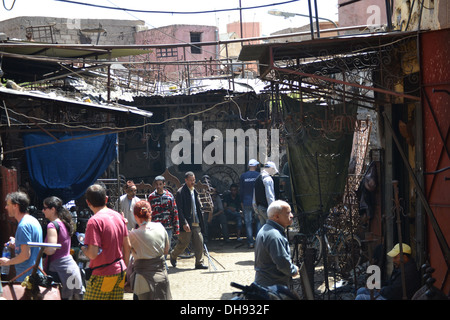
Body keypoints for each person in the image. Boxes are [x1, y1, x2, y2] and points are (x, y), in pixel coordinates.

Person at [82, 184, 131, 300]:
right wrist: (125, 269)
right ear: (106, 199)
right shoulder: (118, 216)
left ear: (88, 202)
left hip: (102, 274)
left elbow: (93, 254)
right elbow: (127, 246)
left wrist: (84, 249)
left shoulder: (94, 221)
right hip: (120, 271)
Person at [42, 196, 84, 300]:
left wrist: (40, 248)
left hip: (58, 272)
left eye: (45, 208)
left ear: (53, 209)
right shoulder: (64, 223)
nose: (43, 211)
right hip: (71, 269)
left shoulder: (52, 225)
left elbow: (51, 249)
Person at [129, 200, 172, 300]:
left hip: (142, 279)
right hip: (161, 276)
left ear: (135, 216)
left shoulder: (133, 234)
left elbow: (126, 250)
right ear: (150, 212)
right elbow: (166, 251)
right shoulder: (160, 227)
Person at [254, 200, 298, 287]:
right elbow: (282, 263)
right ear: (277, 216)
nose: (292, 216)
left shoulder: (267, 229)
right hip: (272, 286)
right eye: (288, 213)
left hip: (266, 283)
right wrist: (293, 270)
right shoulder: (274, 235)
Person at [0, 192, 43, 282]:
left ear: (16, 205)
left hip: (26, 277)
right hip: (34, 274)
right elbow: (30, 246)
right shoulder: (32, 221)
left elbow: (25, 255)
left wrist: (7, 262)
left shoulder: (23, 226)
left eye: (8, 204)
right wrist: (17, 243)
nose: (6, 207)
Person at [355, 243, 421, 300]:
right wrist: (376, 283)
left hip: (393, 297)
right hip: (389, 294)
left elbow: (394, 291)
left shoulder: (408, 272)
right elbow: (390, 283)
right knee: (361, 290)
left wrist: (380, 290)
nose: (393, 261)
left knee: (360, 298)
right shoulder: (401, 267)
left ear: (404, 257)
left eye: (395, 258)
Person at [170, 171, 208, 269]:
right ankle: (173, 255)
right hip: (187, 222)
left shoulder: (194, 191)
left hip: (196, 222)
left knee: (199, 242)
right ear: (186, 180)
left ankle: (199, 263)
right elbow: (179, 210)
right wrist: (184, 222)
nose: (192, 182)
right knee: (183, 243)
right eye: (190, 180)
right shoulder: (180, 192)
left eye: (193, 180)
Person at [148, 175, 180, 247]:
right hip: (155, 227)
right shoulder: (151, 197)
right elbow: (148, 213)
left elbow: (174, 212)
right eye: (157, 184)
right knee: (157, 247)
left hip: (167, 227)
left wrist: (176, 228)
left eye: (160, 184)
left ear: (164, 184)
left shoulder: (169, 196)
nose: (158, 186)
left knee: (166, 247)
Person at [240, 159, 261, 248]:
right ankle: (259, 241)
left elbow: (241, 190)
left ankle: (250, 242)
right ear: (256, 166)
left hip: (246, 201)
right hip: (257, 202)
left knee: (248, 222)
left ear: (249, 166)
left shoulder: (243, 176)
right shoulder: (259, 176)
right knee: (259, 221)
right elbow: (260, 190)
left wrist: (241, 202)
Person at [253, 161, 278, 226]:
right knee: (272, 227)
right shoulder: (268, 179)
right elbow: (270, 196)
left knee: (263, 229)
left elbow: (254, 196)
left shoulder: (258, 178)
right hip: (266, 208)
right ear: (270, 168)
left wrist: (256, 210)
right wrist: (273, 210)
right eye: (273, 169)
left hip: (259, 208)